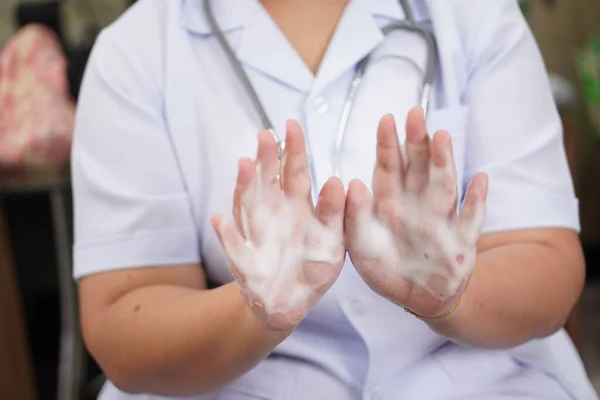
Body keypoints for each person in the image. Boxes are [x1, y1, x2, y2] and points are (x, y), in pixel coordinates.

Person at [71, 0, 599, 398]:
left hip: (481, 378)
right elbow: (124, 316)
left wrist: (451, 296)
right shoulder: (136, 55)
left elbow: (546, 258)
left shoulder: (474, 16)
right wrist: (255, 312)